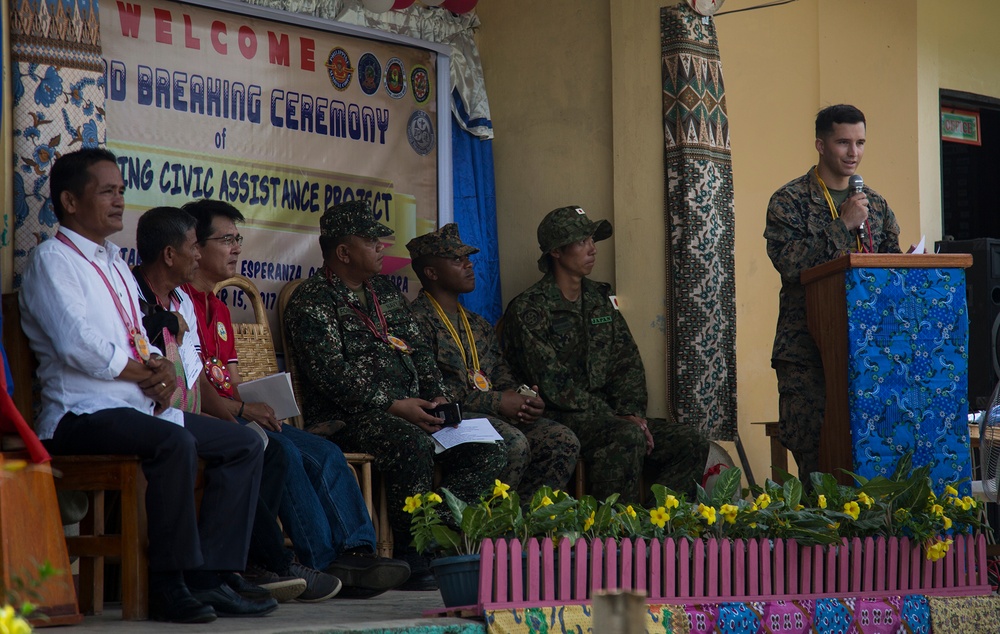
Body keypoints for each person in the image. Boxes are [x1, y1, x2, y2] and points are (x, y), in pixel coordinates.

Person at [20, 148, 272, 623]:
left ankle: (209, 577)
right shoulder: (52, 261)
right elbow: (78, 345)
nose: (119, 201)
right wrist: (143, 373)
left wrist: (157, 372)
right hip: (80, 414)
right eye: (107, 191)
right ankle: (167, 585)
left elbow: (136, 337)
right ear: (71, 201)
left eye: (121, 191)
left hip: (135, 409)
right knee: (174, 441)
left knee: (242, 444)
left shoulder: (116, 263)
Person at [180, 199, 411, 599]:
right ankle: (320, 561)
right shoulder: (179, 300)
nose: (236, 248)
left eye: (239, 239)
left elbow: (229, 384)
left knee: (324, 452)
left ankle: (357, 552)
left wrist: (258, 406)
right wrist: (242, 411)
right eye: (227, 239)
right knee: (281, 451)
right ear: (194, 246)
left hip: (234, 412)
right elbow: (196, 386)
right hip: (208, 418)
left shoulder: (218, 307)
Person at [282, 199, 507, 590]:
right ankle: (412, 553)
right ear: (343, 252)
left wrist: (436, 398)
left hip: (417, 409)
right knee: (409, 443)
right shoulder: (313, 300)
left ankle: (444, 539)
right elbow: (331, 374)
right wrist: (393, 404)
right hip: (351, 418)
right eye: (372, 241)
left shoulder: (384, 292)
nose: (382, 247)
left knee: (490, 447)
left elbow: (418, 349)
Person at [132, 206, 309, 604]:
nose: (197, 257)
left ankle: (223, 570)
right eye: (194, 247)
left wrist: (234, 414)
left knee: (252, 443)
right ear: (169, 254)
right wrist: (237, 415)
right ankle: (230, 570)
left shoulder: (181, 300)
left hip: (186, 412)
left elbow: (193, 374)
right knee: (253, 444)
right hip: (149, 412)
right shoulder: (131, 292)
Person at [502, 205, 714, 504]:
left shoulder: (600, 300)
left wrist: (634, 414)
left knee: (690, 441)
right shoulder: (529, 309)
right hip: (558, 417)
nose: (592, 248)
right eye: (581, 241)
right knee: (624, 435)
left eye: (592, 239)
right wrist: (618, 418)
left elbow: (627, 363)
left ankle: (657, 533)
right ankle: (613, 533)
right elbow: (553, 386)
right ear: (556, 252)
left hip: (611, 417)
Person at [764, 104, 901, 484]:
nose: (853, 152)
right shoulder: (789, 201)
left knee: (873, 443)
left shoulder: (876, 205)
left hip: (868, 349)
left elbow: (889, 267)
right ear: (820, 145)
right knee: (815, 453)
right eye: (843, 142)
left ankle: (869, 539)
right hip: (808, 350)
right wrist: (842, 226)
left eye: (860, 143)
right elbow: (791, 265)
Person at [406, 223, 580, 498]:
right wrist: (500, 402)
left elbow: (501, 376)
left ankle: (524, 526)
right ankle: (483, 529)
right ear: (431, 273)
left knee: (560, 439)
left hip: (488, 417)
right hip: (446, 423)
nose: (468, 265)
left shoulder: (478, 324)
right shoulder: (413, 321)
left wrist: (525, 401)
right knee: (512, 442)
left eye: (468, 258)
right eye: (457, 260)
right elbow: (432, 395)